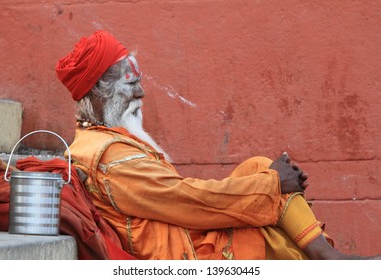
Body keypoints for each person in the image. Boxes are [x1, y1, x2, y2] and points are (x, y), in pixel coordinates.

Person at [55, 30, 380, 260]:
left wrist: (266, 181)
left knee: (257, 167)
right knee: (266, 200)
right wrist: (271, 185)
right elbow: (187, 200)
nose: (140, 95)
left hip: (181, 227)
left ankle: (325, 258)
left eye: (140, 84)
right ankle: (328, 260)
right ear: (97, 92)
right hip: (180, 256)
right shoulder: (108, 157)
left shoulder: (101, 139)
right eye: (131, 86)